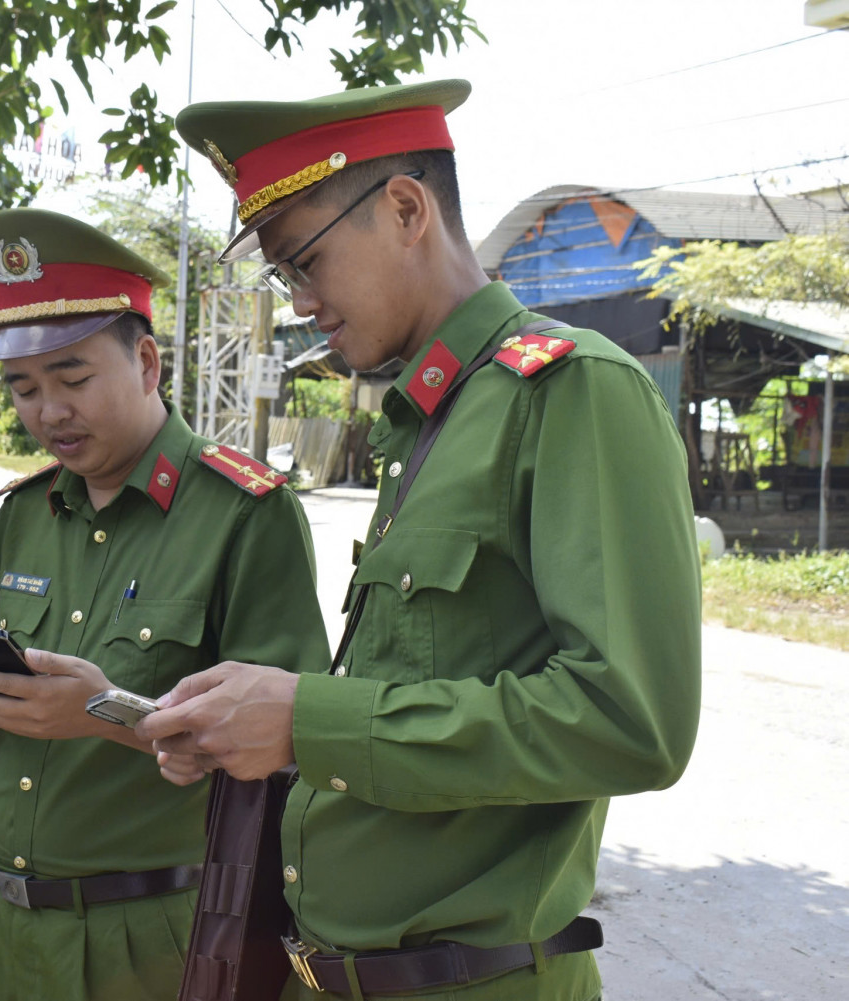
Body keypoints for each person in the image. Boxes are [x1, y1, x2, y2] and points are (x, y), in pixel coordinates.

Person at [137, 79, 703, 1001]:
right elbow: (417, 691)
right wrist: (262, 733)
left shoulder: (570, 392)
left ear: (405, 208)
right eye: (284, 277)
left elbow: (631, 721)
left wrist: (307, 719)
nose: (302, 302)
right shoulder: (428, 420)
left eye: (306, 262)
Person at [0, 208, 330, 1001]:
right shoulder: (25, 513)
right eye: (24, 388)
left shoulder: (244, 514)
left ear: (147, 362)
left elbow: (290, 748)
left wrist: (105, 712)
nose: (49, 412)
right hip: (3, 928)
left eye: (74, 379)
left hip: (153, 938)